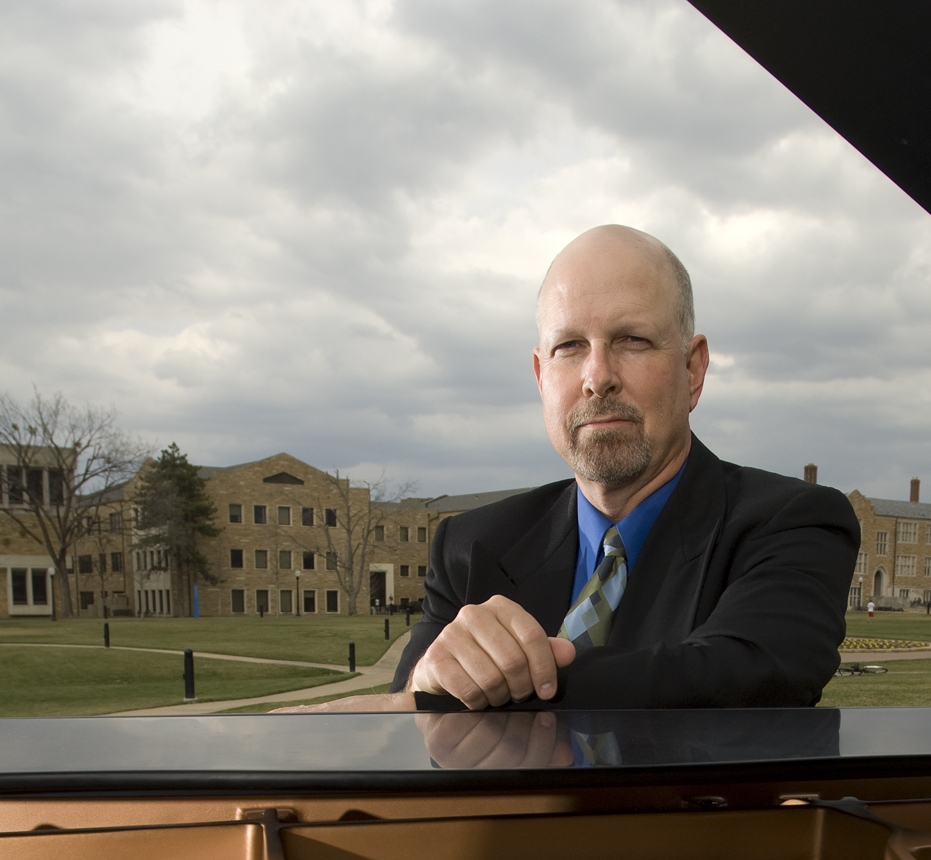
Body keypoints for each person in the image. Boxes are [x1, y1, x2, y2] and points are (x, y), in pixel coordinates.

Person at [277, 225, 857, 717]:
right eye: (570, 346)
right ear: (540, 376)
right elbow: (411, 711)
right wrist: (425, 691)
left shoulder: (791, 523)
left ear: (693, 369)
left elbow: (748, 678)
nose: (596, 375)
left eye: (632, 340)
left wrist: (468, 695)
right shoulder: (473, 545)